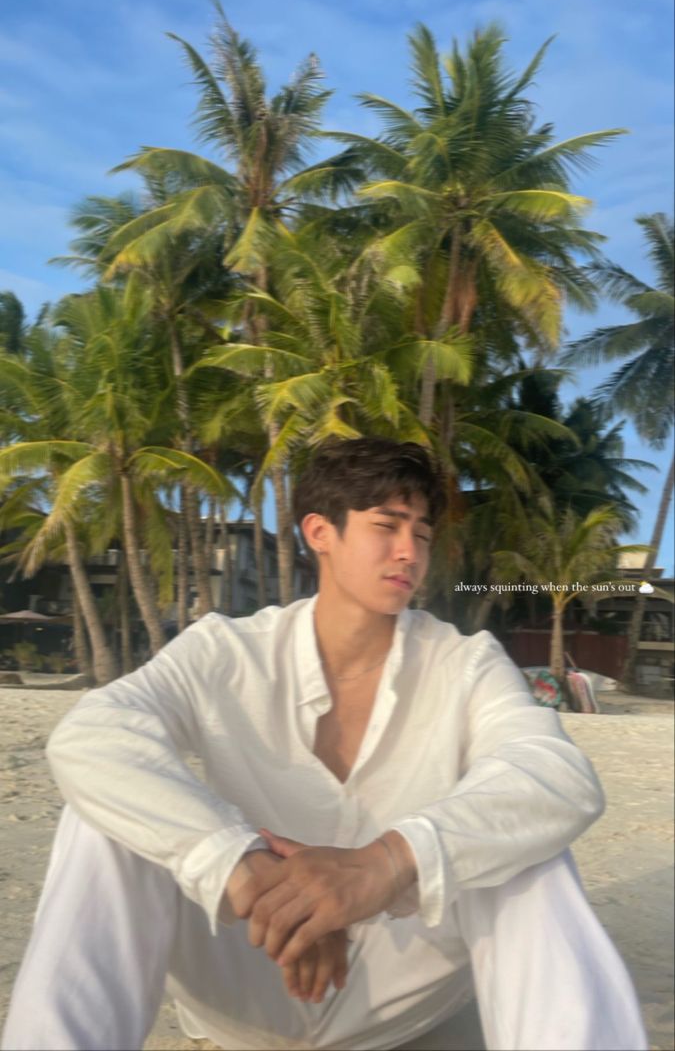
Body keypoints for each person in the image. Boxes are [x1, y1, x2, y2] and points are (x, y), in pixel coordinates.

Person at [2, 438, 647, 1051]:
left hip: (401, 988)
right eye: (386, 525)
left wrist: (384, 865)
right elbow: (93, 733)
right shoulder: (228, 649)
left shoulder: (464, 661)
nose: (409, 553)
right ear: (320, 533)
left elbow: (556, 774)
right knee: (104, 811)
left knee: (524, 840)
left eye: (421, 534)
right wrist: (244, 866)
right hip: (245, 972)